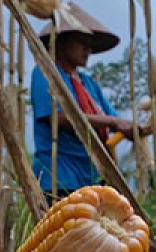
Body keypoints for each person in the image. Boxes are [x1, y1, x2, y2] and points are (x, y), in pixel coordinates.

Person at [31, 4, 148, 197]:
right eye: (81, 42)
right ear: (62, 41)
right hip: (60, 176)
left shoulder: (88, 84)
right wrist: (114, 122)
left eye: (90, 45)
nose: (88, 50)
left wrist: (133, 127)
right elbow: (58, 117)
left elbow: (113, 119)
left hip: (92, 177)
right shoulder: (45, 74)